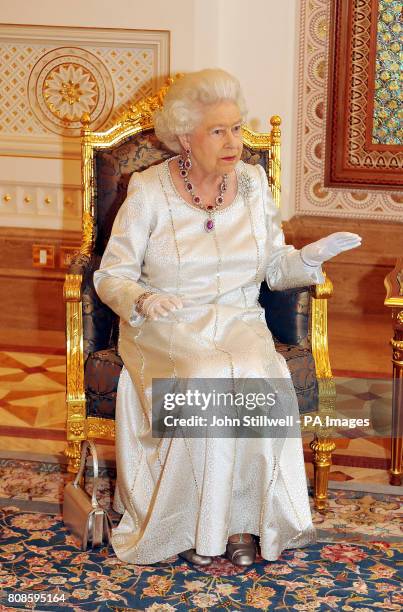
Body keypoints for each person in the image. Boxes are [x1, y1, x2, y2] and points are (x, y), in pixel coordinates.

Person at [94, 69, 361, 567]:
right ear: (185, 138)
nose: (234, 141)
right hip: (165, 324)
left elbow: (275, 269)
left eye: (237, 128)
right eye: (219, 131)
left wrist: (309, 258)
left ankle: (241, 520)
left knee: (263, 375)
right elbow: (111, 276)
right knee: (206, 375)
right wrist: (141, 299)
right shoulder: (149, 191)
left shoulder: (255, 184)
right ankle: (197, 524)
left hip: (237, 319)